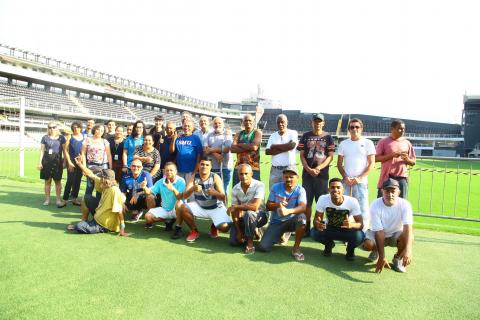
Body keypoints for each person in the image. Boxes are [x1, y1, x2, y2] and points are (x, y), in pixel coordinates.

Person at [67, 156, 128, 236]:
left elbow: (119, 211)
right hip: (98, 216)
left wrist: (122, 228)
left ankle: (96, 227)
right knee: (86, 197)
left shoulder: (114, 190)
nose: (99, 177)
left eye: (101, 176)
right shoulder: (104, 183)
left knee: (79, 227)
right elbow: (90, 174)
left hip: (105, 225)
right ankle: (85, 221)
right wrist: (79, 164)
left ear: (106, 180)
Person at [174, 157, 232, 242]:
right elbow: (185, 196)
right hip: (200, 206)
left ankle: (214, 225)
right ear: (198, 165)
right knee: (182, 207)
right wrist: (193, 188)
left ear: (211, 167)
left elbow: (224, 197)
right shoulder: (194, 176)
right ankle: (194, 231)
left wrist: (214, 193)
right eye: (202, 164)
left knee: (225, 228)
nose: (204, 166)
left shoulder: (215, 177)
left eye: (207, 165)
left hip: (215, 207)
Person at [363, 178, 414, 273]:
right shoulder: (375, 204)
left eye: (393, 191)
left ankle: (397, 258)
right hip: (377, 233)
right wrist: (382, 257)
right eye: (387, 191)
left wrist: (408, 250)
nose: (390, 194)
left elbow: (408, 228)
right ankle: (376, 251)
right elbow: (379, 232)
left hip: (395, 234)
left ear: (398, 192)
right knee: (368, 244)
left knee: (408, 237)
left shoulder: (405, 204)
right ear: (382, 191)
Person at [258, 167, 307, 262]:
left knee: (302, 218)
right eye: (286, 177)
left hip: (292, 221)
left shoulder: (301, 190)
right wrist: (278, 204)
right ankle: (274, 233)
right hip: (276, 222)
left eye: (291, 177)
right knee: (263, 247)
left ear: (297, 177)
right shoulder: (276, 187)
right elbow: (268, 206)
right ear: (283, 177)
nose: (288, 179)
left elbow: (303, 207)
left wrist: (288, 211)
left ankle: (296, 248)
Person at [297, 113, 335, 236]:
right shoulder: (305, 136)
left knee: (321, 201)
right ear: (311, 122)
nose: (317, 123)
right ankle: (307, 226)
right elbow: (302, 154)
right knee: (307, 202)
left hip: (322, 175)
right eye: (315, 121)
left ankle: (318, 226)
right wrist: (308, 168)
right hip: (307, 175)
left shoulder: (328, 137)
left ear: (323, 123)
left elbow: (330, 157)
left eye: (320, 121)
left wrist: (319, 167)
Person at [310, 178, 365, 261]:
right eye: (332, 187)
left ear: (343, 190)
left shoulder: (352, 201)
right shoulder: (323, 199)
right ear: (329, 189)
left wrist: (351, 225)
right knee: (314, 232)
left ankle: (350, 250)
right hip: (330, 228)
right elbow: (316, 219)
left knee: (359, 236)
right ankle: (329, 245)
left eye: (338, 187)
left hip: (346, 230)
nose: (335, 190)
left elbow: (361, 224)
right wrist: (318, 224)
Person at [337, 118, 375, 230]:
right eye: (352, 127)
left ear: (361, 128)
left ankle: (362, 233)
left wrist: (359, 178)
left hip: (361, 182)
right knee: (344, 208)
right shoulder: (344, 144)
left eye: (357, 127)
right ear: (349, 129)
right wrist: (345, 177)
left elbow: (371, 163)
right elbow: (339, 163)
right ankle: (345, 232)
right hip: (346, 182)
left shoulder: (368, 143)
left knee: (362, 209)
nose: (354, 129)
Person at [228, 164, 268, 254]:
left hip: (260, 216)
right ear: (238, 175)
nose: (243, 176)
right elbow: (234, 212)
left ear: (252, 174)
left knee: (250, 213)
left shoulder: (259, 185)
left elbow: (255, 207)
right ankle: (254, 231)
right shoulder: (235, 188)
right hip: (244, 217)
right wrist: (238, 232)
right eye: (241, 174)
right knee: (234, 242)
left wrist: (238, 207)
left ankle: (250, 243)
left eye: (246, 173)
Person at [376, 119, 416, 199]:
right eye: (399, 128)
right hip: (387, 177)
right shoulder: (383, 142)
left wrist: (407, 160)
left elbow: (413, 162)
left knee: (401, 204)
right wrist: (392, 155)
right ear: (392, 129)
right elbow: (376, 159)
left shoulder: (407, 143)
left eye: (403, 129)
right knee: (382, 202)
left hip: (402, 178)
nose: (402, 131)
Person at [143, 162, 186, 230]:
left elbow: (180, 197)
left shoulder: (181, 181)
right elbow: (149, 192)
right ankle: (168, 220)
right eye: (167, 170)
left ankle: (178, 227)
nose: (169, 172)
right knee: (148, 217)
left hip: (177, 210)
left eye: (171, 170)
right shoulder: (160, 181)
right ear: (164, 172)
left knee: (179, 203)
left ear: (176, 172)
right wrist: (144, 187)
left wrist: (173, 189)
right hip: (165, 209)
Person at [38, 121, 68, 207]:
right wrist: (40, 162)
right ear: (48, 128)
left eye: (54, 127)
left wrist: (65, 161)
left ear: (57, 128)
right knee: (47, 181)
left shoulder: (61, 138)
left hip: (57, 162)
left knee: (57, 181)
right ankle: (47, 199)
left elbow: (65, 151)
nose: (52, 129)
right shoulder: (44, 137)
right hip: (46, 162)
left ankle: (58, 200)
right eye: (50, 127)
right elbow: (42, 151)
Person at [265, 114, 298, 190]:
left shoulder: (292, 133)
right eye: (278, 122)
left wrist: (274, 146)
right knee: (273, 192)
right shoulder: (273, 135)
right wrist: (286, 147)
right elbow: (267, 151)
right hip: (275, 169)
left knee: (289, 192)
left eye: (282, 122)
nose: (280, 124)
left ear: (287, 122)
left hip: (289, 168)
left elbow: (292, 146)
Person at [231, 113, 262, 187]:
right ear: (243, 122)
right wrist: (249, 146)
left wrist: (240, 145)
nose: (248, 122)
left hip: (253, 168)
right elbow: (232, 149)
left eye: (250, 120)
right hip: (239, 168)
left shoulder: (257, 132)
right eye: (246, 120)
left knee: (254, 193)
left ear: (253, 122)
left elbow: (254, 147)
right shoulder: (238, 134)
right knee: (237, 192)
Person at [204, 117, 233, 195]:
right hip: (212, 168)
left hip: (225, 168)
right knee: (212, 190)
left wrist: (211, 150)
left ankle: (224, 207)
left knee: (224, 190)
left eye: (219, 123)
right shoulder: (209, 135)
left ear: (223, 124)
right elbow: (205, 149)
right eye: (215, 123)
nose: (217, 125)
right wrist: (215, 154)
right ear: (213, 125)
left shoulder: (227, 134)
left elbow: (227, 148)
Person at [81, 124, 112, 197]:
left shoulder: (105, 141)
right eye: (98, 129)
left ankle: (98, 206)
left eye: (102, 130)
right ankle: (86, 205)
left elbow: (109, 155)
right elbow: (83, 154)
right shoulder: (87, 140)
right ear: (94, 129)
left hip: (103, 166)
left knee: (101, 187)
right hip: (91, 166)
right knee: (89, 186)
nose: (100, 132)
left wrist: (110, 168)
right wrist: (84, 168)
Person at [170, 118, 203, 183]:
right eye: (185, 126)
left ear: (193, 128)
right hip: (179, 170)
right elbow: (172, 151)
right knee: (179, 190)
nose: (186, 127)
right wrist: (174, 139)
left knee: (189, 191)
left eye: (189, 126)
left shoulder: (196, 138)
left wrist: (195, 171)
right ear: (182, 126)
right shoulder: (179, 138)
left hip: (190, 171)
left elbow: (199, 155)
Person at [62, 121, 84, 205]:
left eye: (77, 127)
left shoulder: (84, 137)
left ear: (80, 128)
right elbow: (65, 150)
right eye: (74, 127)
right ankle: (65, 199)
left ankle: (74, 198)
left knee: (78, 181)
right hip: (71, 162)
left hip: (80, 162)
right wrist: (69, 162)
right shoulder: (69, 137)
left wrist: (82, 158)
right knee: (70, 180)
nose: (76, 129)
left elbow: (84, 151)